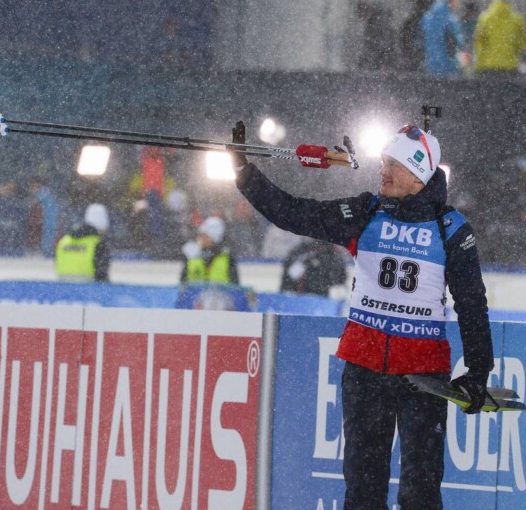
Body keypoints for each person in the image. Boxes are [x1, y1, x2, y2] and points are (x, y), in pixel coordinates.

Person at [230, 120, 494, 509]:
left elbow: (471, 303)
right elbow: (293, 213)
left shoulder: (451, 228)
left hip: (423, 377)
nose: (383, 171)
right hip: (365, 370)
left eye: (394, 166)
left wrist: (477, 372)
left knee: (420, 493)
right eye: (383, 162)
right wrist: (244, 173)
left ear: (418, 177)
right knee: (363, 492)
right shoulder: (366, 211)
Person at [473, 0, 526, 77]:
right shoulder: (518, 19)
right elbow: (523, 44)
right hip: (511, 66)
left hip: (489, 66)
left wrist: (478, 67)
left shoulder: (485, 18)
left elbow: (479, 45)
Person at [55, 203, 110, 282]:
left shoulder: (64, 240)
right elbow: (101, 275)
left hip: (62, 285)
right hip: (88, 286)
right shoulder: (98, 244)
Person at [180, 216, 239, 284]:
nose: (201, 238)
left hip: (220, 291)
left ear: (215, 238)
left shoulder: (228, 259)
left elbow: (235, 286)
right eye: (201, 235)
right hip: (195, 291)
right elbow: (182, 284)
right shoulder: (191, 256)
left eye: (206, 236)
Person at [280, 238, 347, 297]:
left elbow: (340, 281)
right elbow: (291, 274)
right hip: (299, 296)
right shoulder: (301, 252)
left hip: (319, 298)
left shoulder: (334, 258)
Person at [421, 0, 468, 78]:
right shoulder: (451, 20)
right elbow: (458, 43)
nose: (459, 3)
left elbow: (422, 41)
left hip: (432, 68)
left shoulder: (427, 18)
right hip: (449, 69)